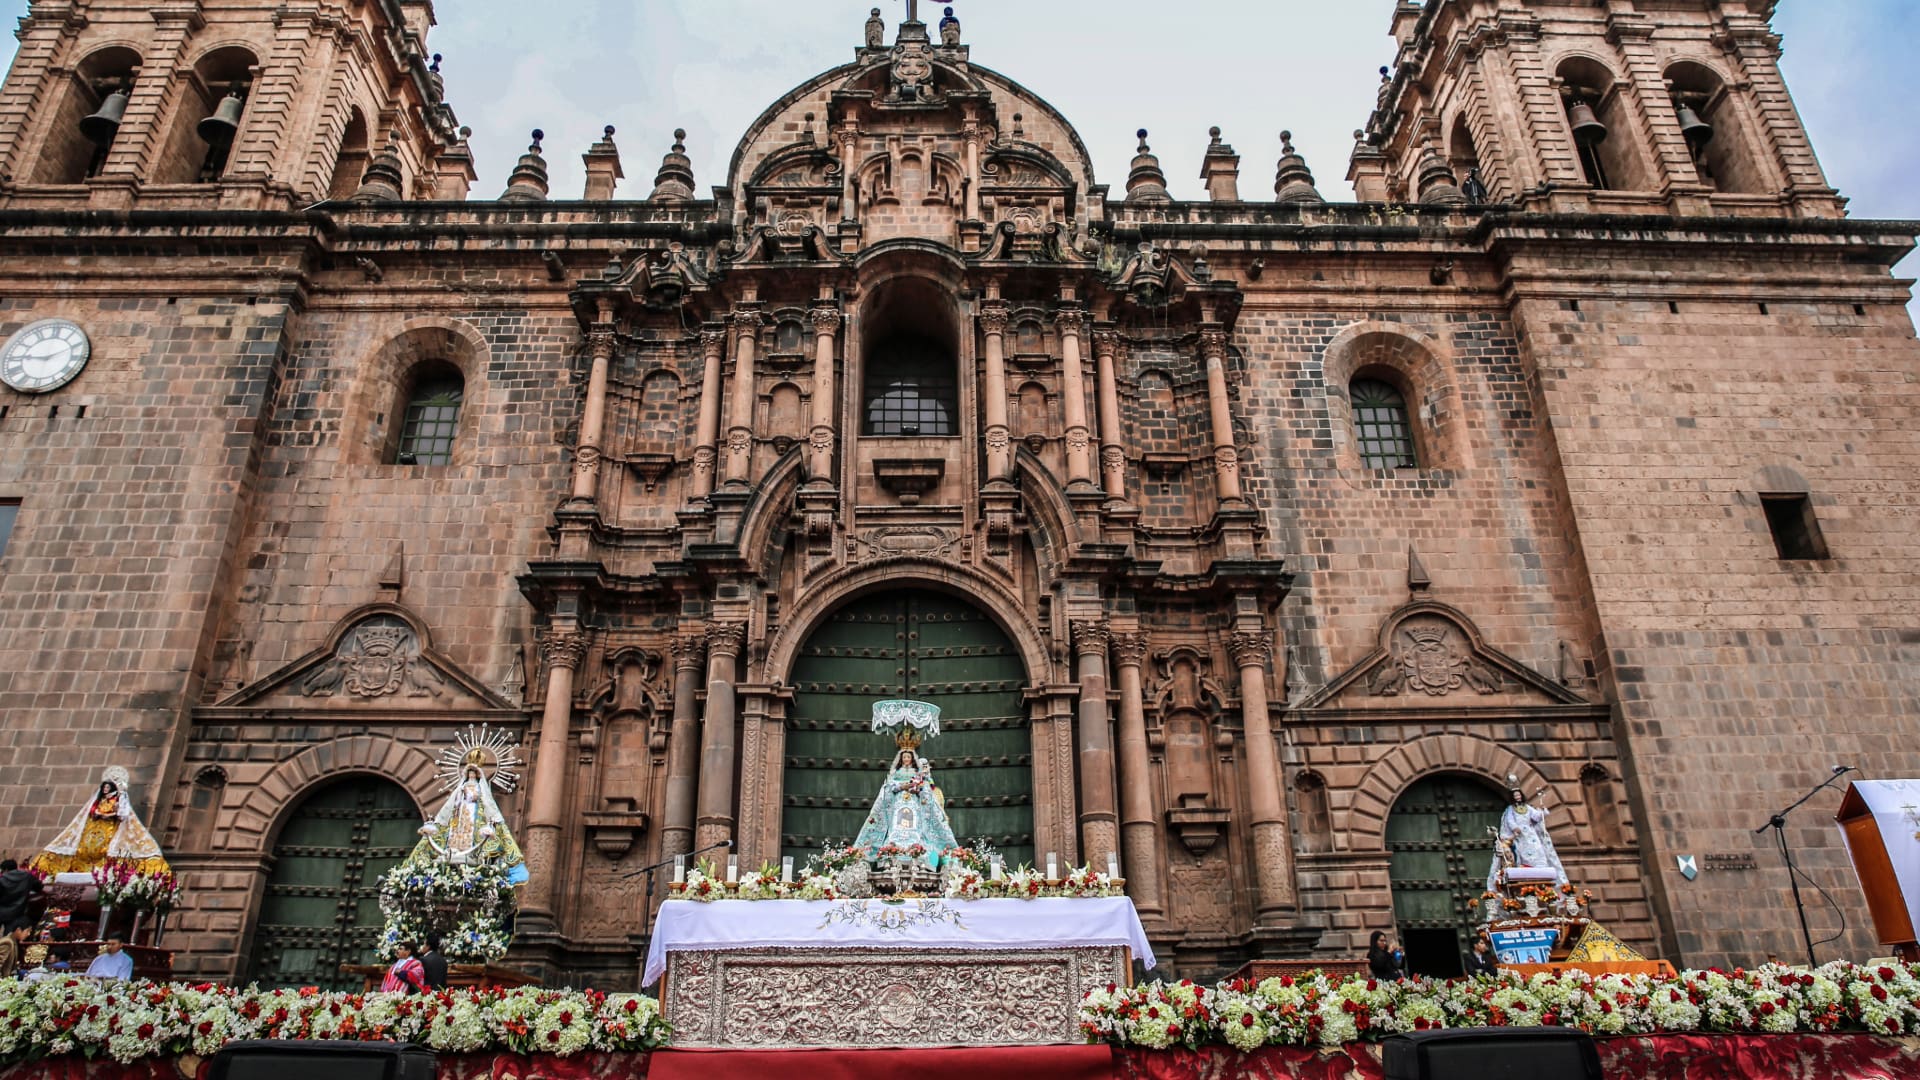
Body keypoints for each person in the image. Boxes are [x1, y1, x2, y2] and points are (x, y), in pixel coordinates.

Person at [27, 767, 171, 880]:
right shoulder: (99, 800)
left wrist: (107, 814)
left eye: (108, 788)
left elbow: (121, 814)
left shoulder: (117, 801)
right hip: (94, 828)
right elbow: (91, 810)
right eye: (104, 788)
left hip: (108, 828)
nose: (105, 790)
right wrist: (97, 814)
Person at [412, 761, 528, 883]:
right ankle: (454, 850)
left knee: (471, 833)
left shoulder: (479, 787)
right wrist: (461, 793)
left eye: (473, 773)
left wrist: (469, 794)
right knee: (456, 833)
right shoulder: (462, 786)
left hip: (473, 813)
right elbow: (454, 801)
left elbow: (478, 798)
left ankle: (472, 854)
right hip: (460, 814)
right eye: (470, 773)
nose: (471, 775)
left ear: (477, 775)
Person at [853, 746, 959, 869]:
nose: (906, 759)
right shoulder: (896, 773)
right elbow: (889, 786)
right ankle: (889, 850)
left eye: (908, 757)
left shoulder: (918, 774)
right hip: (898, 805)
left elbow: (925, 790)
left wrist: (917, 787)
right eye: (904, 757)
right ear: (901, 759)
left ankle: (923, 850)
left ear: (912, 759)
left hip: (914, 806)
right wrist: (902, 787)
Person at [1485, 786, 1569, 892]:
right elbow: (1510, 820)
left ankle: (1541, 871)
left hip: (1530, 833)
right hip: (1520, 835)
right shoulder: (1510, 809)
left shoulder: (1527, 807)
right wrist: (1515, 828)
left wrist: (1542, 811)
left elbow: (1536, 817)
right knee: (1522, 852)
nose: (1517, 797)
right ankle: (1527, 871)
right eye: (1515, 795)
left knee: (1538, 849)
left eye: (1519, 795)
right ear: (1513, 797)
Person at [0, 859, 44, 928]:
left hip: (2, 912)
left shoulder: (2, 880)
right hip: (19, 912)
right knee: (10, 936)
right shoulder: (27, 876)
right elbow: (39, 887)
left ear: (5, 870)